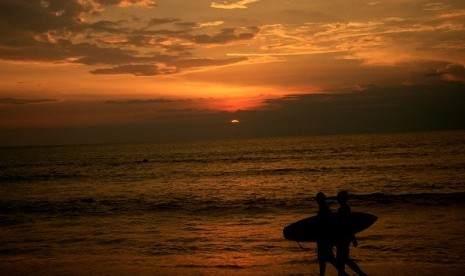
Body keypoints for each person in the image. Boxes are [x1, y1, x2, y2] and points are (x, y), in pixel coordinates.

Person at [335, 191, 368, 276]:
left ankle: (361, 274)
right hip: (346, 237)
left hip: (343, 237)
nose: (337, 198)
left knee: (343, 259)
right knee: (343, 259)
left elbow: (345, 225)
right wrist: (353, 238)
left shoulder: (343, 209)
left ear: (342, 199)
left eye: (338, 197)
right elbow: (349, 224)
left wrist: (353, 238)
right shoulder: (346, 208)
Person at [315, 192, 338, 276]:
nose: (316, 200)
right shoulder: (324, 208)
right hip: (323, 238)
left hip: (325, 238)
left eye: (317, 198)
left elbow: (326, 225)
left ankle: (343, 273)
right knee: (324, 260)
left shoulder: (324, 209)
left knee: (328, 259)